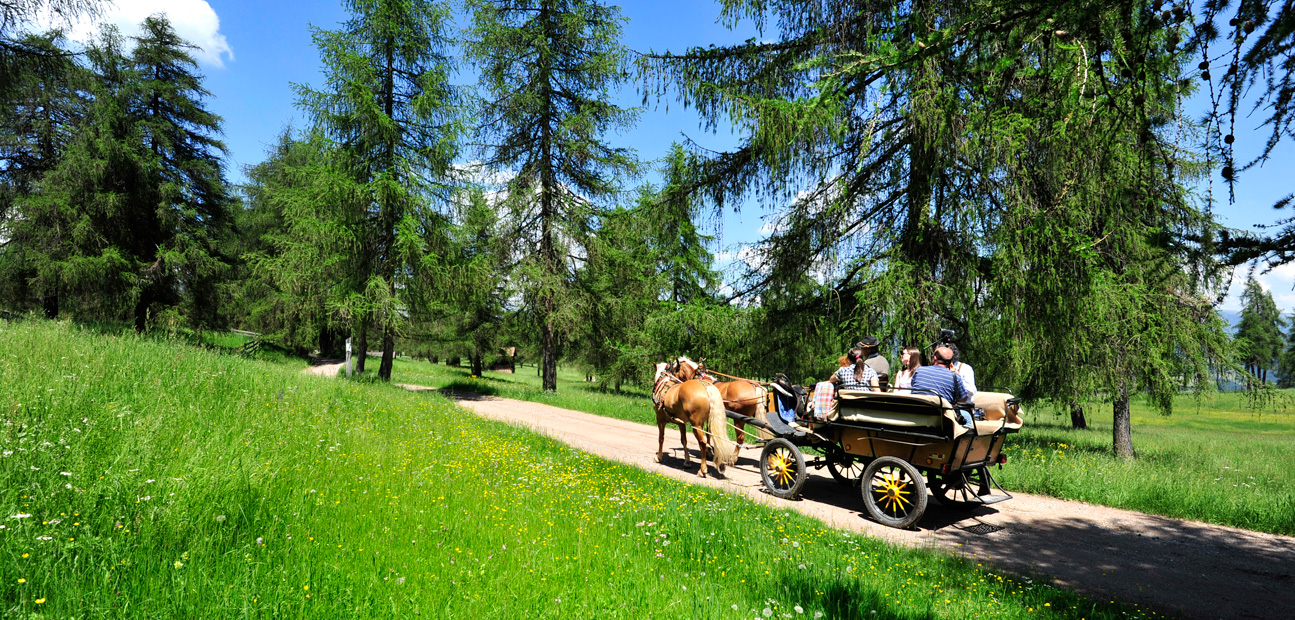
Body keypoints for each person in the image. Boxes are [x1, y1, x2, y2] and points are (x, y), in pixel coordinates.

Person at [910, 345, 975, 428]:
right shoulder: (954, 377)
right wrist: (955, 375)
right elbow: (962, 399)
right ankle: (960, 440)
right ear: (951, 361)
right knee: (967, 417)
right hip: (941, 418)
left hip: (917, 413)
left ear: (935, 357)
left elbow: (913, 386)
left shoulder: (919, 370)